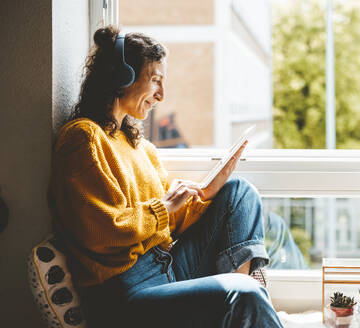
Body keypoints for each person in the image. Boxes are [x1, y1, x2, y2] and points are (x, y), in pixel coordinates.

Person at [48, 25, 284, 328]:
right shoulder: (83, 138)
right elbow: (100, 231)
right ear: (122, 77)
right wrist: (164, 207)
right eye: (155, 80)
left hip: (166, 267)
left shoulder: (139, 146)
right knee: (242, 293)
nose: (161, 95)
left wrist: (207, 194)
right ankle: (247, 303)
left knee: (239, 192)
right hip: (125, 295)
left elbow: (167, 224)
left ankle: (247, 304)